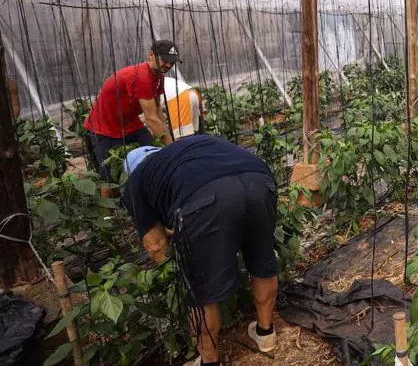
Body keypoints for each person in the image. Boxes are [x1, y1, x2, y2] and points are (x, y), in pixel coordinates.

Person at [121, 135, 279, 366]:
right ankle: (266, 334)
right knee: (261, 261)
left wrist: (179, 267)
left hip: (206, 198)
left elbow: (155, 245)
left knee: (199, 291)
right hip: (259, 181)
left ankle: (209, 360)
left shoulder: (136, 180)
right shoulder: (183, 152)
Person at [84, 40, 177, 179]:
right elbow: (151, 119)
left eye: (172, 61)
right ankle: (112, 199)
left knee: (153, 157)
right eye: (165, 60)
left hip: (130, 124)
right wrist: (173, 150)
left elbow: (157, 111)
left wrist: (169, 140)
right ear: (151, 54)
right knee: (109, 178)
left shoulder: (158, 77)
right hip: (104, 128)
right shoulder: (141, 77)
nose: (169, 65)